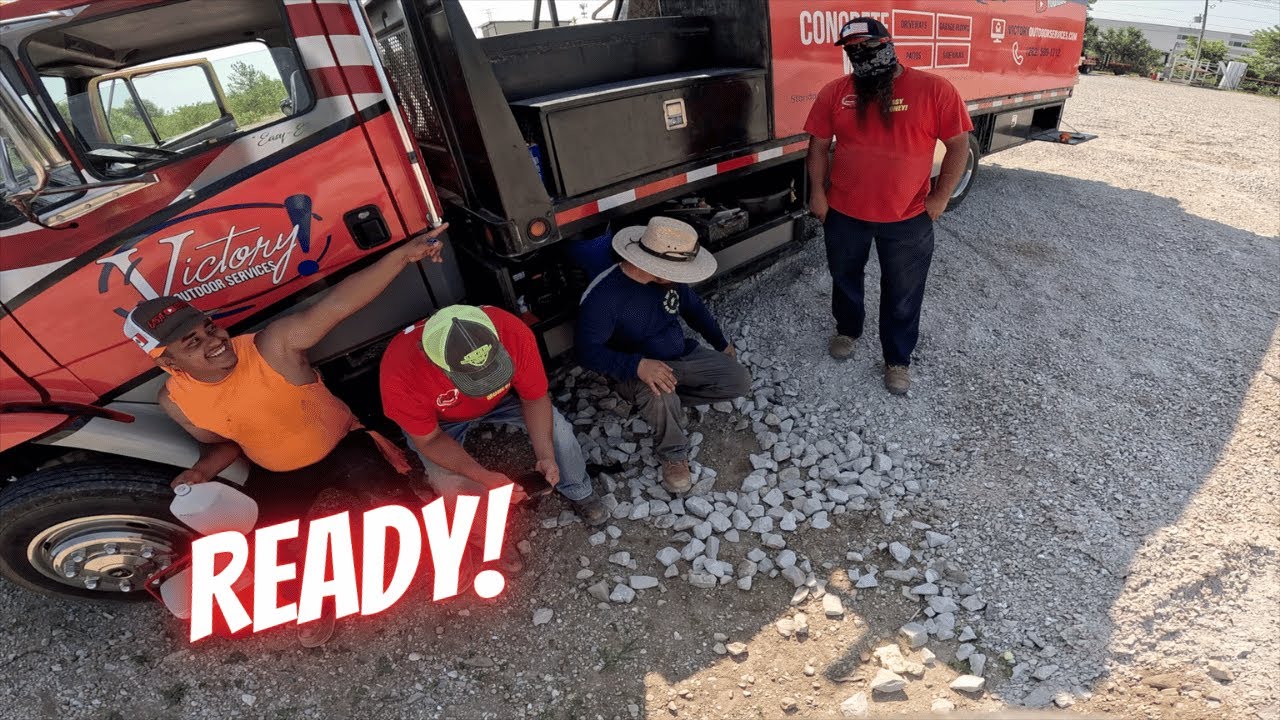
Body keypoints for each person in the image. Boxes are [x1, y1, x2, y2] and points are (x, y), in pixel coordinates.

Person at [127, 224, 448, 647]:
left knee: (390, 498)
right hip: (277, 471)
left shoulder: (271, 347)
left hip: (343, 445)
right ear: (169, 364)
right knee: (271, 544)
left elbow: (336, 305)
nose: (214, 342)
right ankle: (309, 603)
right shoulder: (175, 400)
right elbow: (223, 442)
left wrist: (401, 256)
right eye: (193, 343)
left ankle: (442, 554)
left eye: (209, 328)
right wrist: (201, 472)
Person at [805, 17, 974, 395]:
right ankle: (848, 331)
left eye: (868, 46)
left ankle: (897, 358)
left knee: (903, 291)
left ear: (888, 43)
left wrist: (940, 197)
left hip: (908, 216)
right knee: (845, 279)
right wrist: (818, 193)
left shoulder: (934, 89)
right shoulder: (835, 92)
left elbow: (958, 145)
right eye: (852, 50)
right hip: (845, 213)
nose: (860, 55)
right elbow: (817, 146)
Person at [379, 304, 608, 533]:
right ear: (428, 358)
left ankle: (579, 490)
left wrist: (546, 456)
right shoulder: (399, 375)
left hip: (503, 402)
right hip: (442, 423)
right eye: (473, 379)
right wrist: (482, 476)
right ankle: (486, 536)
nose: (486, 387)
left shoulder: (511, 330)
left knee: (560, 433)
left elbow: (534, 399)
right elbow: (429, 440)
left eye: (492, 370)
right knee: (451, 485)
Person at [576, 216, 752, 494]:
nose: (682, 277)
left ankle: (661, 404)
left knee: (740, 380)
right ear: (654, 266)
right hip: (637, 369)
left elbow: (695, 310)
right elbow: (586, 352)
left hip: (681, 355)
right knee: (659, 390)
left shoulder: (669, 281)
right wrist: (637, 366)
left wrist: (721, 344)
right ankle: (673, 454)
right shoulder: (604, 298)